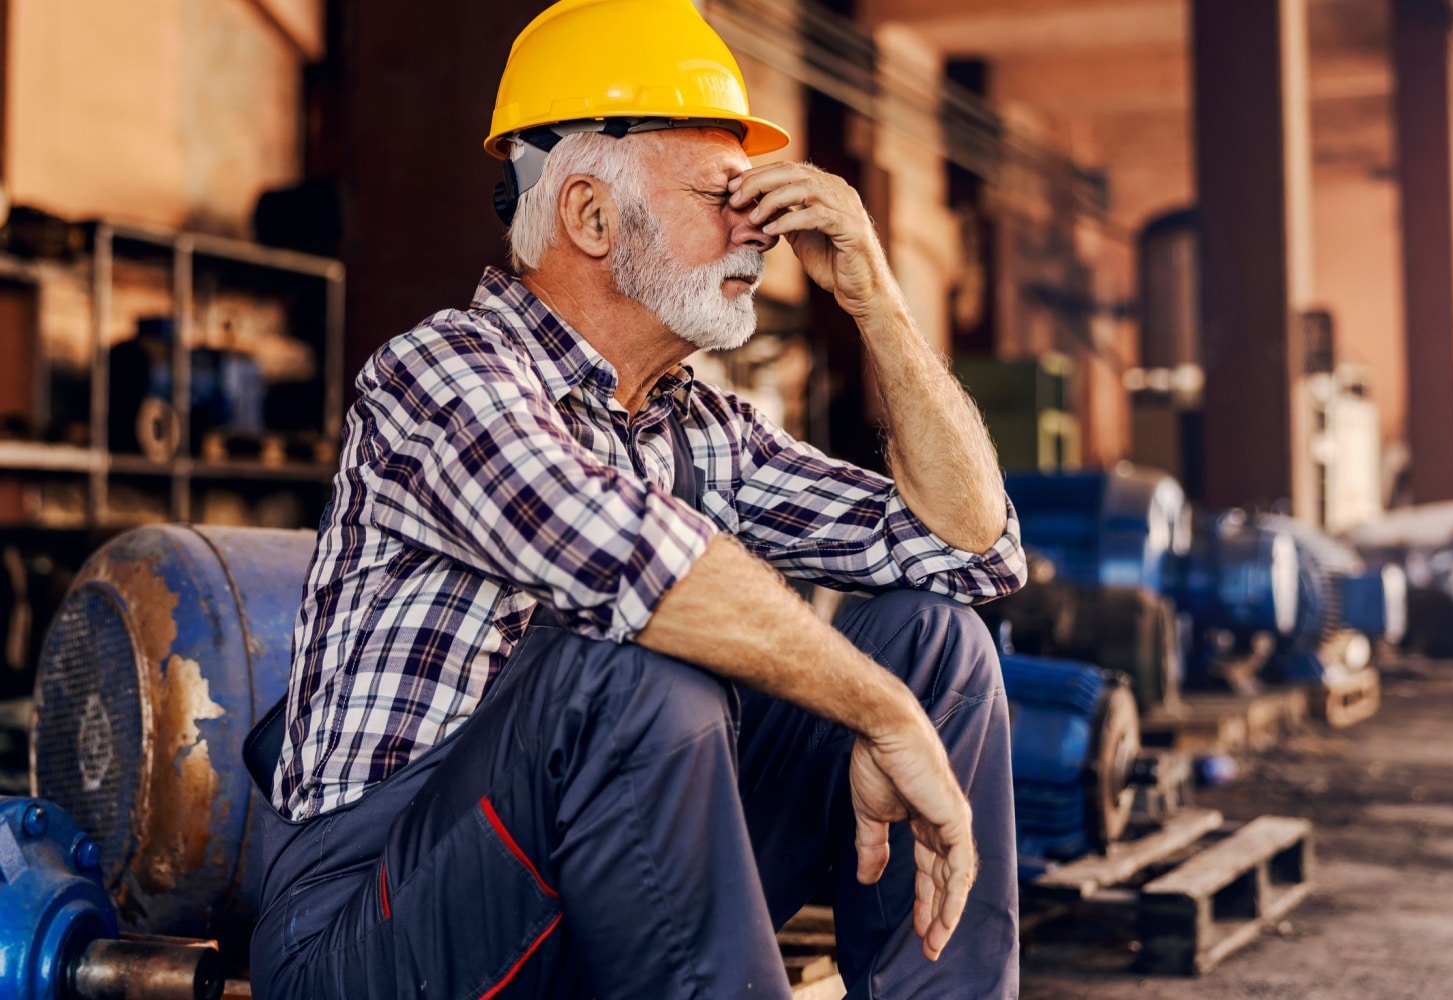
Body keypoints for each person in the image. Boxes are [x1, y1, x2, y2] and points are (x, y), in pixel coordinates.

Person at [249, 0, 1027, 996]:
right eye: (724, 195)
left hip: (586, 896)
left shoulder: (700, 429)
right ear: (589, 214)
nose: (763, 232)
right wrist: (883, 720)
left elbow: (970, 549)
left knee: (932, 644)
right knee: (629, 668)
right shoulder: (439, 379)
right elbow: (637, 574)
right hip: (369, 932)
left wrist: (878, 298)